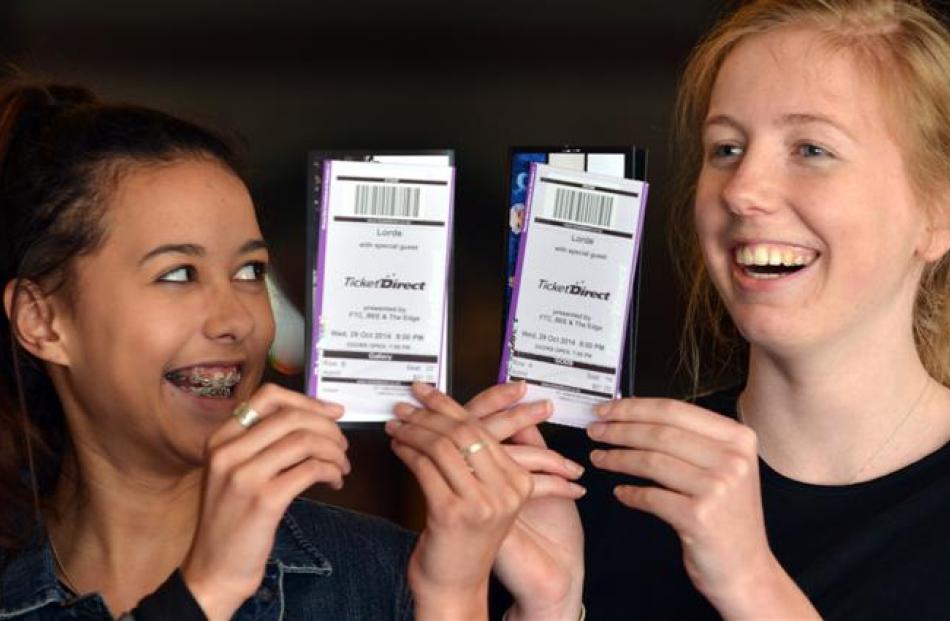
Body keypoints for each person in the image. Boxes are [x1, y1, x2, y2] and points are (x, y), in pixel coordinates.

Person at [0, 81, 586, 620]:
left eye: (250, 270)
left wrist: (517, 602)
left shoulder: (388, 575)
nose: (236, 320)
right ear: (42, 320)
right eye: (178, 274)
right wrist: (209, 587)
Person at [558, 0, 950, 618]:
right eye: (726, 149)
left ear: (937, 213)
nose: (741, 191)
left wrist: (751, 583)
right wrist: (541, 604)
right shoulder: (592, 482)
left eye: (812, 149)